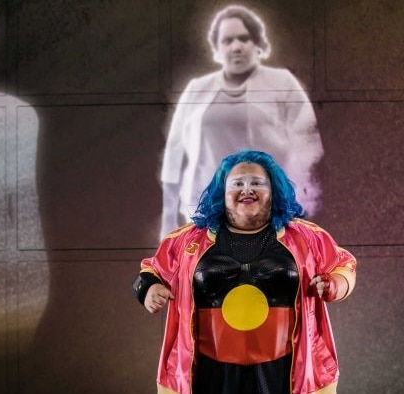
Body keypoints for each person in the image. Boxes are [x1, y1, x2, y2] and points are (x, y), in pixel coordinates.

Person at [134, 150, 356, 394]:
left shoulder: (308, 237)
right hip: (212, 372)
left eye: (257, 183)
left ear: (273, 191)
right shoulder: (186, 240)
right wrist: (148, 289)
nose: (247, 189)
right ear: (223, 192)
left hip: (283, 371)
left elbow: (343, 265)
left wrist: (335, 284)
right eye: (237, 183)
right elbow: (148, 272)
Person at [160, 5, 323, 239]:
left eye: (244, 38)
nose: (236, 46)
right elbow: (174, 156)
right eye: (227, 40)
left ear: (257, 42)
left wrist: (305, 214)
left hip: (270, 216)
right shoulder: (197, 89)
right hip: (205, 216)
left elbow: (309, 148)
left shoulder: (283, 82)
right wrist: (168, 217)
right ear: (216, 47)